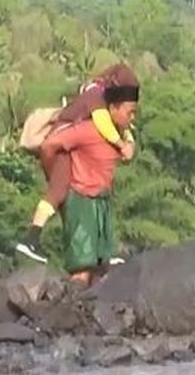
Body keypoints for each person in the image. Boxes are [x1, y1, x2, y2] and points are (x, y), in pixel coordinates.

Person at [15, 63, 139, 264]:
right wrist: (120, 144)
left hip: (71, 146)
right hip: (64, 141)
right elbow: (102, 122)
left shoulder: (107, 102)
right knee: (58, 191)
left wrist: (129, 143)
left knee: (71, 202)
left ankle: (102, 253)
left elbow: (123, 126)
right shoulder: (95, 96)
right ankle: (31, 238)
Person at [36, 83, 138, 287]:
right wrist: (54, 174)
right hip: (80, 202)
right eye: (130, 112)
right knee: (81, 267)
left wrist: (129, 147)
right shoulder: (87, 130)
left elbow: (129, 146)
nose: (132, 117)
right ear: (113, 108)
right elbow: (49, 145)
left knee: (101, 267)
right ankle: (70, 310)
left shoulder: (118, 135)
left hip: (102, 202)